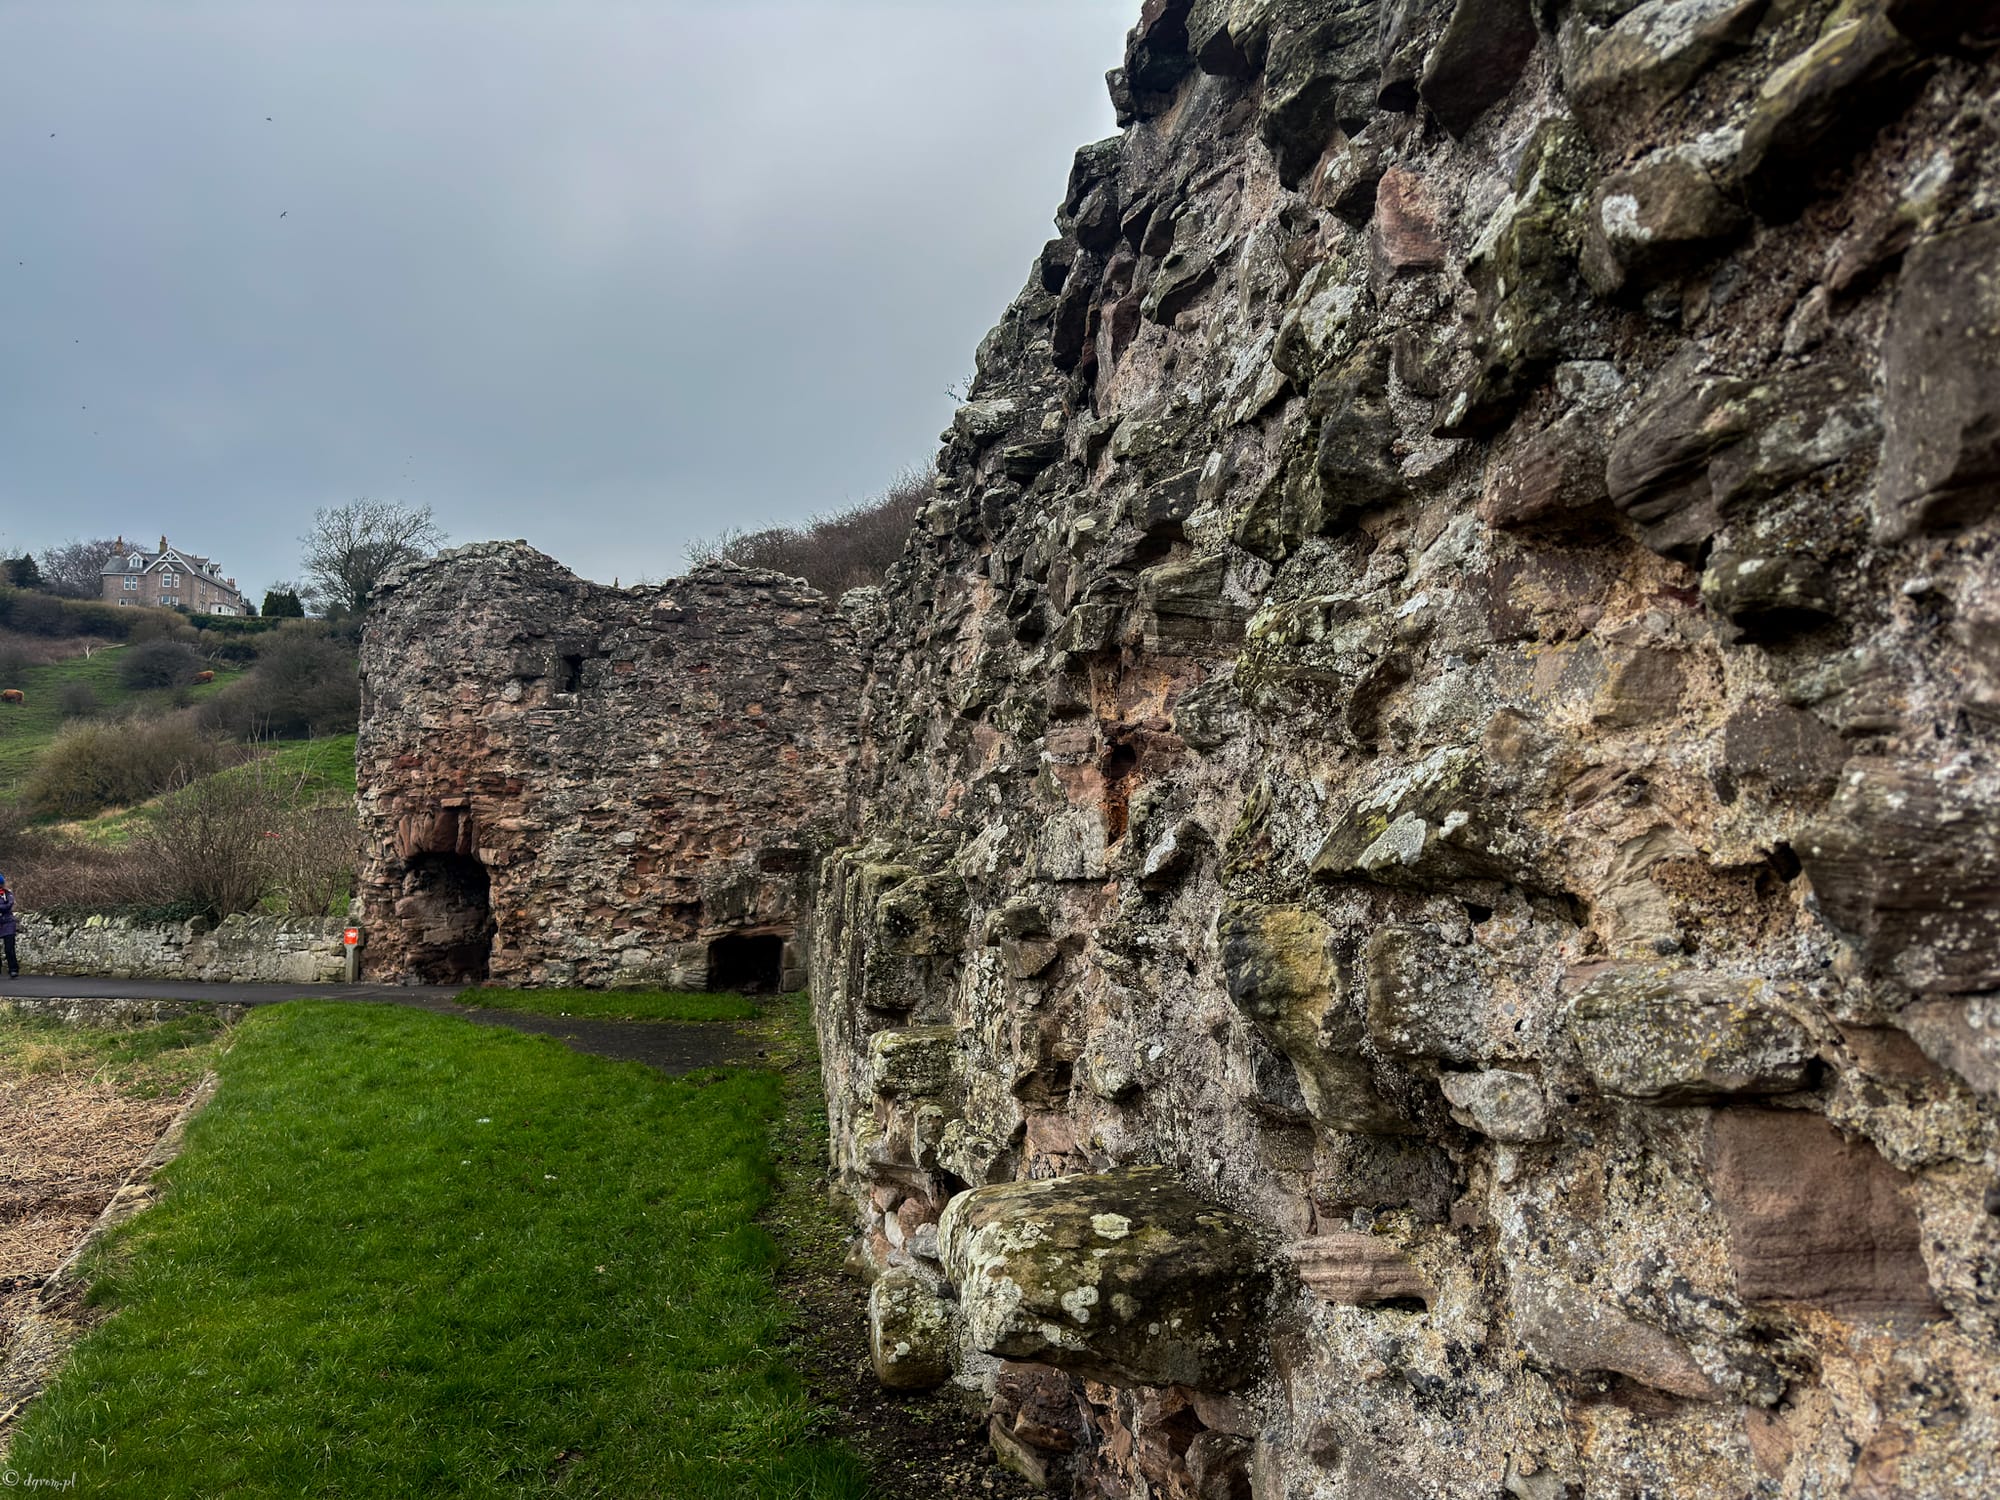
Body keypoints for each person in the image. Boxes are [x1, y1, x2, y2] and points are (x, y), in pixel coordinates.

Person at [0, 874, 16, 979]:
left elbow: (8, 905)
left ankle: (13, 969)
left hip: (8, 923)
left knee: (9, 948)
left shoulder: (7, 894)